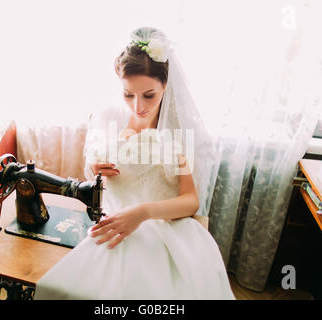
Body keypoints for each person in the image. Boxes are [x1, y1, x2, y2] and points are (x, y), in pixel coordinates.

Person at [34, 27, 235, 300]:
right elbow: (93, 166)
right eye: (128, 95)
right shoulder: (108, 118)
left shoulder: (178, 131)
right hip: (113, 226)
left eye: (148, 95)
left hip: (166, 233)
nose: (138, 106)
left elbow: (190, 202)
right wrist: (95, 166)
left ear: (167, 85)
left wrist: (142, 213)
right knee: (58, 289)